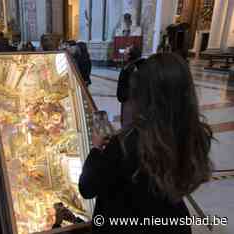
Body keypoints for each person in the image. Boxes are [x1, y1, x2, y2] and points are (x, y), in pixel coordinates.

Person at [79, 53, 213, 234]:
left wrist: (96, 150)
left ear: (143, 97)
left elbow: (87, 187)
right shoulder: (198, 135)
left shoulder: (124, 145)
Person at [116, 45, 142, 127]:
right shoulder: (130, 66)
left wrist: (124, 96)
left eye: (127, 50)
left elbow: (133, 85)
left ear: (130, 55)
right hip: (127, 99)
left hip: (129, 100)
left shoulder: (132, 67)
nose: (124, 52)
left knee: (128, 123)